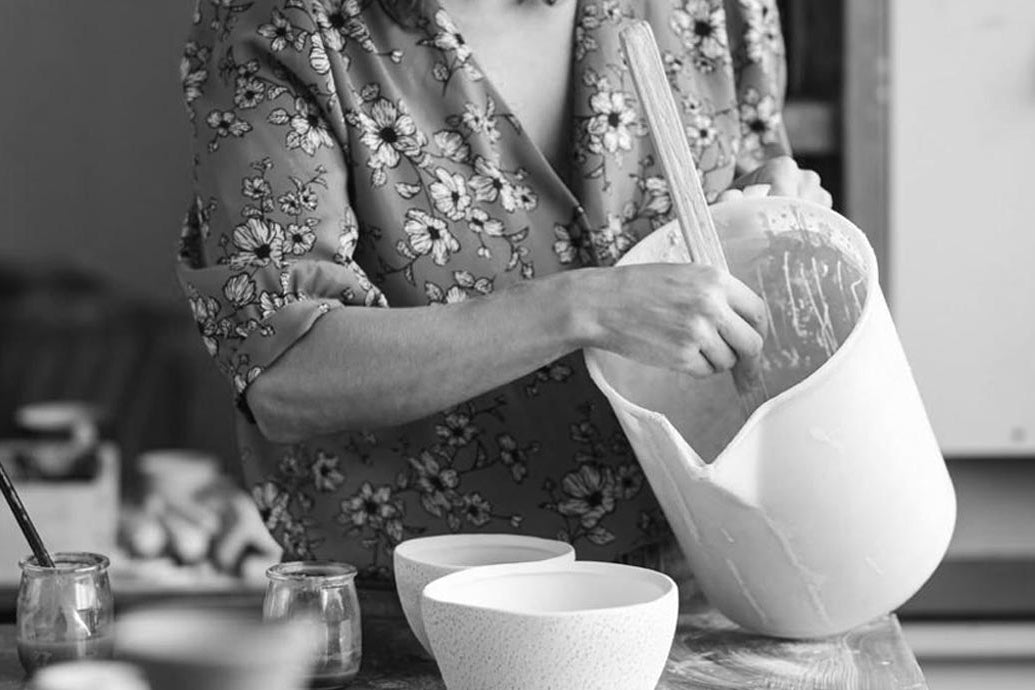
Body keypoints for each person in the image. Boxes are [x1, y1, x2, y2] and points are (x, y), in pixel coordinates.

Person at [177, 0, 831, 579]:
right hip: (423, 614)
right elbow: (288, 373)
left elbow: (740, 208)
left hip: (719, 574)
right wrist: (580, 308)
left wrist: (766, 212)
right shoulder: (283, 23)